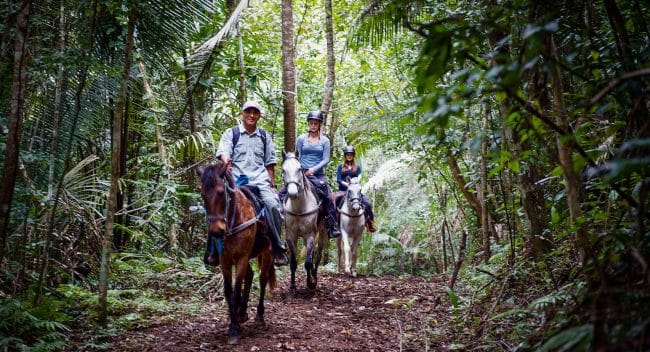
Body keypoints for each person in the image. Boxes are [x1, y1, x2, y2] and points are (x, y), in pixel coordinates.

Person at [215, 100, 288, 266]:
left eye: (255, 113)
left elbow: (270, 165)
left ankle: (277, 246)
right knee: (214, 205)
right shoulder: (231, 133)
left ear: (259, 116)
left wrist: (273, 186)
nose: (252, 115)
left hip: (259, 180)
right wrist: (226, 160)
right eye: (248, 112)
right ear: (243, 113)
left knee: (273, 205)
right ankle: (212, 249)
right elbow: (224, 152)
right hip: (236, 180)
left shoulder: (264, 136)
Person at [279, 110, 341, 238]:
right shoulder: (301, 139)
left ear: (319, 125)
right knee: (282, 192)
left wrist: (313, 169)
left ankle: (332, 226)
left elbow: (326, 159)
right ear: (308, 124)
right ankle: (280, 218)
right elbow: (297, 156)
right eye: (311, 123)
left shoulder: (324, 141)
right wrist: (300, 169)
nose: (313, 125)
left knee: (329, 197)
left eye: (316, 123)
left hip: (318, 175)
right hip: (301, 173)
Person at [336, 145, 378, 233]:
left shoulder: (357, 168)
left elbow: (359, 178)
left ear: (353, 155)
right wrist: (347, 184)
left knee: (367, 204)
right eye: (347, 154)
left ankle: (370, 224)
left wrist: (355, 184)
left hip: (355, 192)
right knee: (335, 201)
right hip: (343, 190)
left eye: (351, 154)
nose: (349, 156)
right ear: (345, 155)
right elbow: (339, 179)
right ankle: (334, 225)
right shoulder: (340, 167)